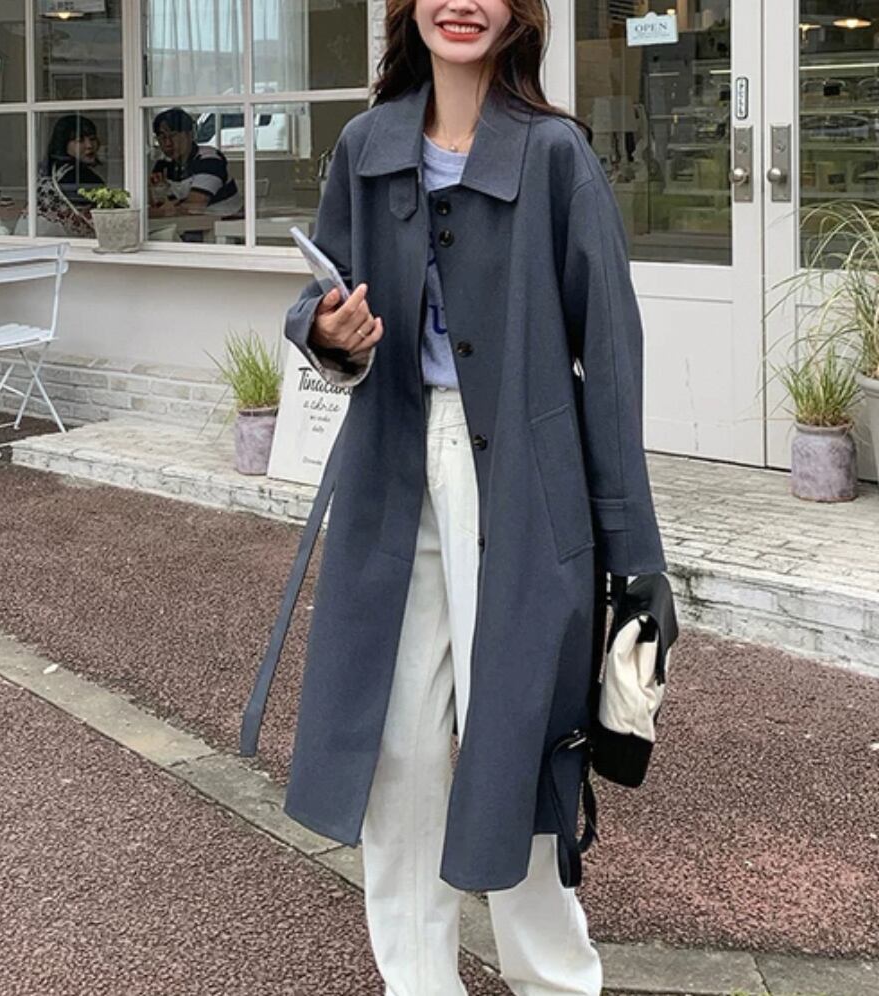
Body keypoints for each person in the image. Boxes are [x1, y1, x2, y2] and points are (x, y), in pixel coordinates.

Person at [259, 2, 667, 994]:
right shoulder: (366, 146)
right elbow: (321, 300)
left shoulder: (556, 155)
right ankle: (417, 981)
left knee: (519, 740)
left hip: (524, 480)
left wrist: (634, 551)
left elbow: (610, 357)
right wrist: (328, 332)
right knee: (395, 750)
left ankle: (555, 980)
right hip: (392, 468)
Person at [148, 107, 243, 241]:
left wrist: (163, 210)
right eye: (162, 138)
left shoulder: (210, 159)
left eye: (173, 135)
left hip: (224, 233)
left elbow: (195, 206)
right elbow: (155, 203)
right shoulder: (163, 164)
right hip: (186, 229)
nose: (168, 143)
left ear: (190, 134)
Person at [36, 114, 106, 238]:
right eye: (80, 140)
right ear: (63, 144)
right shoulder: (80, 177)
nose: (89, 145)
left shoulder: (48, 170)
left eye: (92, 139)